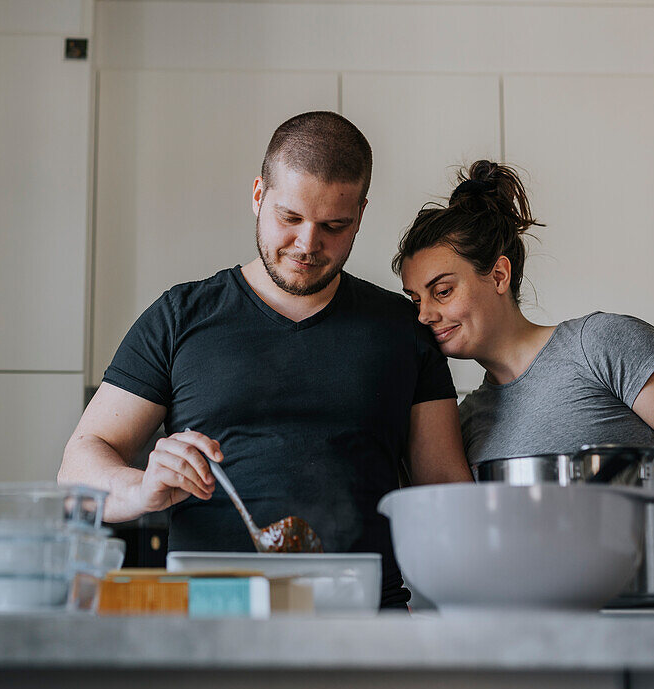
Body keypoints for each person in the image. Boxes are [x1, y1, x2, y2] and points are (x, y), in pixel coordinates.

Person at [394, 159, 654, 689]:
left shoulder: (601, 345)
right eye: (415, 299)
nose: (426, 314)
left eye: (441, 290)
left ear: (498, 274)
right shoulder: (466, 422)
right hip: (550, 671)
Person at [59, 111, 472, 608]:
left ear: (360, 214)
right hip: (210, 617)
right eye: (290, 218)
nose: (307, 245)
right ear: (258, 195)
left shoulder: (403, 327)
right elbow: (79, 464)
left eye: (334, 226)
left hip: (365, 622)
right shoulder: (180, 316)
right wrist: (142, 489)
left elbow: (446, 491)